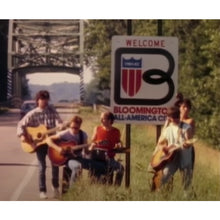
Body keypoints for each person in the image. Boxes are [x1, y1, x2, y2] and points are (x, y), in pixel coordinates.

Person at [17, 90, 63, 199]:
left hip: (52, 142)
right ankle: (42, 190)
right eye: (42, 99)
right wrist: (22, 135)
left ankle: (55, 187)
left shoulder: (52, 111)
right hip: (39, 144)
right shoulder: (33, 113)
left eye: (46, 99)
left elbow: (58, 122)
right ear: (38, 100)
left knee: (55, 165)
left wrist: (61, 125)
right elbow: (20, 125)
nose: (45, 102)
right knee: (42, 167)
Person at [46, 115, 107, 190]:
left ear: (80, 126)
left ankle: (95, 187)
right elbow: (48, 140)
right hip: (66, 159)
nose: (74, 130)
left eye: (76, 128)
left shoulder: (83, 135)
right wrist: (58, 149)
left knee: (100, 166)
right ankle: (72, 191)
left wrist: (92, 147)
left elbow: (87, 152)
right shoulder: (65, 133)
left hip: (77, 157)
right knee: (77, 167)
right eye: (72, 127)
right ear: (70, 125)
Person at [151, 106, 193, 191]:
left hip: (185, 157)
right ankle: (157, 196)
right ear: (169, 118)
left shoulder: (186, 127)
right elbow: (160, 143)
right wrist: (164, 148)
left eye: (177, 117)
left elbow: (189, 142)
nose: (176, 119)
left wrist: (186, 145)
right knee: (164, 176)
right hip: (171, 157)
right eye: (174, 118)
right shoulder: (168, 129)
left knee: (186, 183)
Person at [89, 111, 124, 186]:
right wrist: (98, 142)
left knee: (121, 169)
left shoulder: (116, 131)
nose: (101, 120)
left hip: (110, 158)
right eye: (101, 118)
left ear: (110, 120)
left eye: (103, 119)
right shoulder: (97, 128)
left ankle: (115, 188)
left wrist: (119, 144)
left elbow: (118, 141)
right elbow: (92, 140)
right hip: (98, 157)